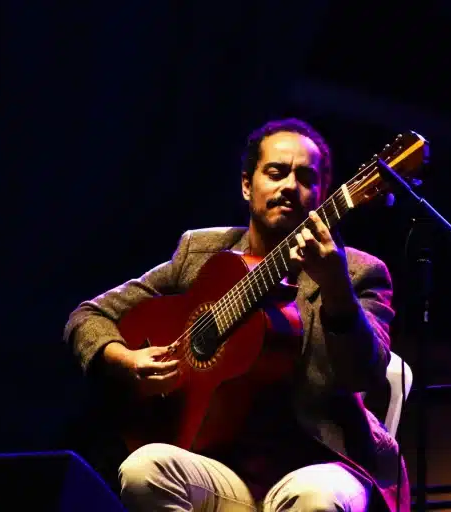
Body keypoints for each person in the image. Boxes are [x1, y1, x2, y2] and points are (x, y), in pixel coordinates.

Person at [63, 118, 408, 512]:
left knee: (316, 498)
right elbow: (89, 315)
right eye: (276, 172)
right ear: (247, 185)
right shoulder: (200, 252)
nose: (289, 186)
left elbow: (364, 373)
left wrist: (335, 287)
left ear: (322, 195)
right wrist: (123, 358)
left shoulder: (360, 273)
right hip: (217, 469)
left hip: (317, 464)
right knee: (143, 469)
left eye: (306, 178)